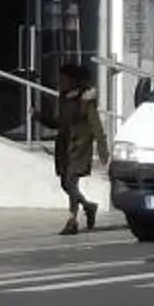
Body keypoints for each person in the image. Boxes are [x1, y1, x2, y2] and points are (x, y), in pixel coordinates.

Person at [46, 60, 105, 234]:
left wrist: (102, 147)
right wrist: (40, 117)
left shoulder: (85, 98)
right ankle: (88, 206)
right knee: (66, 184)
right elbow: (59, 123)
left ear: (73, 80)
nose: (60, 82)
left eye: (63, 79)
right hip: (64, 146)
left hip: (79, 146)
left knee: (71, 181)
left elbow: (95, 124)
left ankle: (72, 221)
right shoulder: (63, 97)